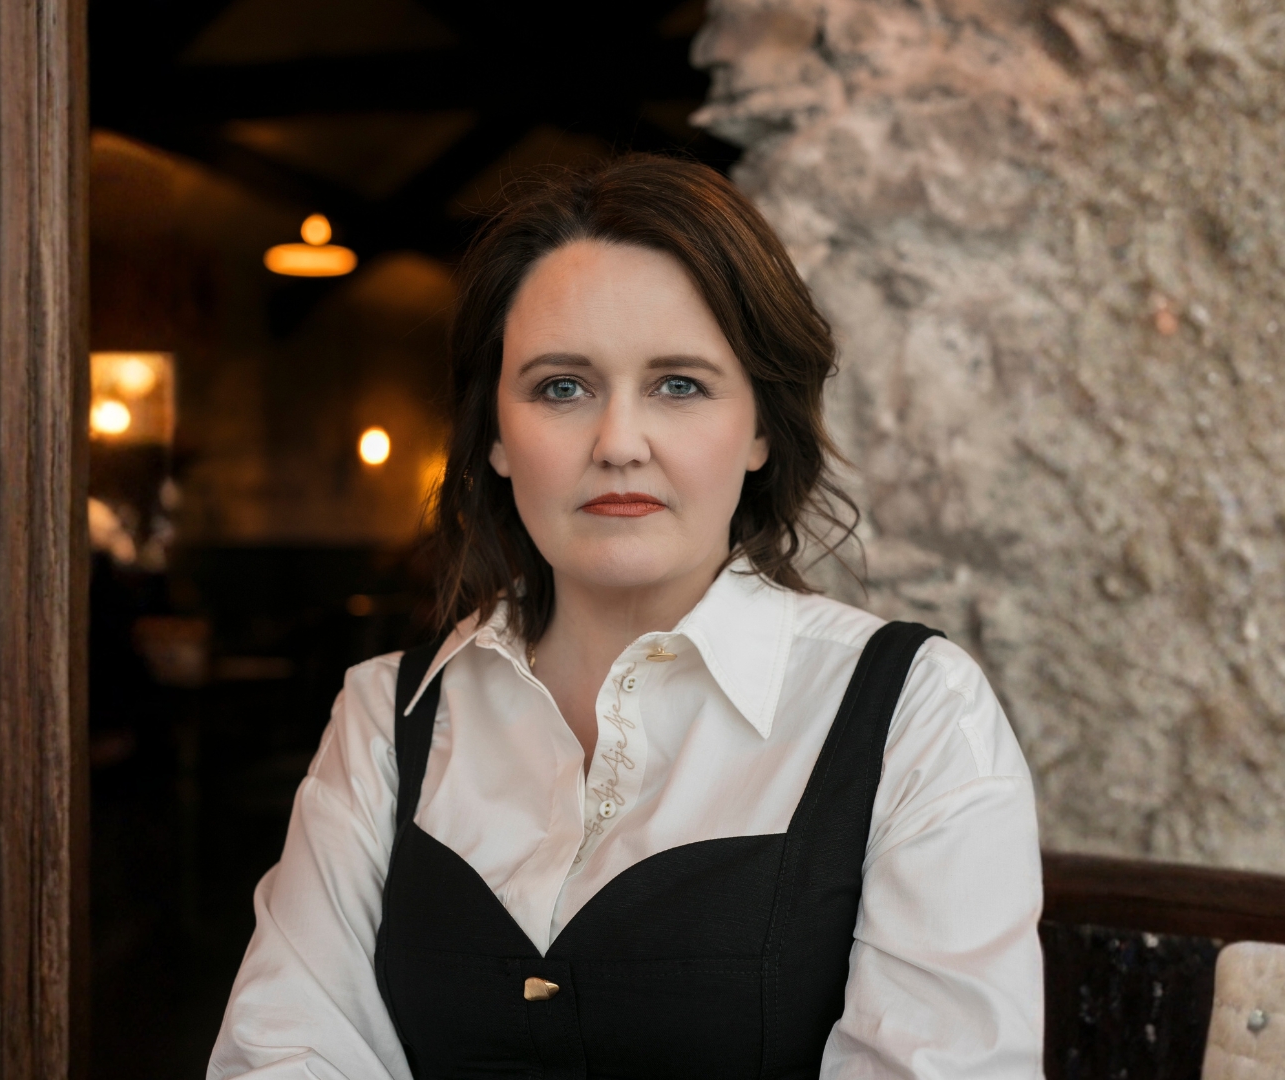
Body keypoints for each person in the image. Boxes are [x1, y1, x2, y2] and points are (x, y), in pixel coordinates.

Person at [206, 155, 1043, 1079]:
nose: (618, 444)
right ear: (494, 433)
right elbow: (281, 1054)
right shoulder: (382, 717)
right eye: (562, 387)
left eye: (678, 384)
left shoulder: (916, 715)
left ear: (762, 427)